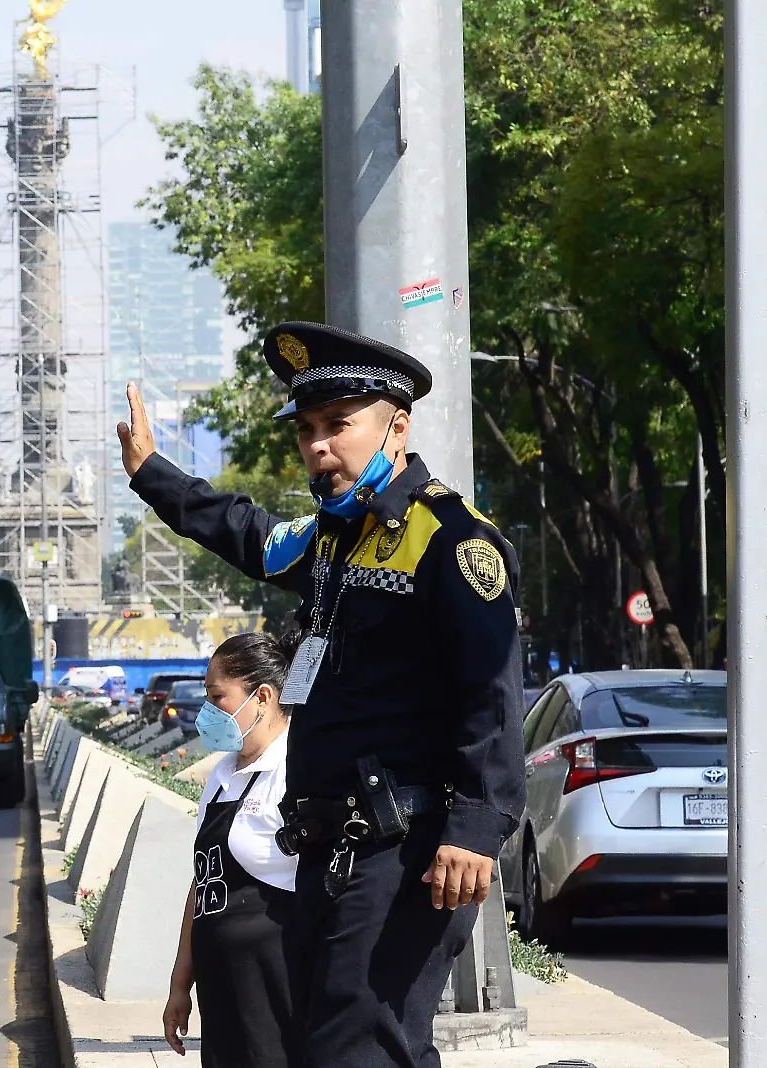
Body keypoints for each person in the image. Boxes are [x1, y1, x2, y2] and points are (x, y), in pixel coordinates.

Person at [119, 321, 527, 1068]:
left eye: (339, 425)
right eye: (307, 429)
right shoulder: (331, 538)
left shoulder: (452, 540)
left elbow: (491, 692)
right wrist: (152, 474)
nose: (318, 446)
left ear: (395, 426)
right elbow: (244, 531)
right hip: (326, 846)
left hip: (405, 845)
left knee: (360, 1049)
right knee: (331, 1048)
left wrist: (474, 828)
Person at [162, 632, 299, 1066]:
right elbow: (204, 881)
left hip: (279, 991)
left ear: (262, 697)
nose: (208, 711)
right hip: (221, 990)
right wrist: (181, 981)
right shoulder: (223, 773)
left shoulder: (295, 771)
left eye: (217, 696)